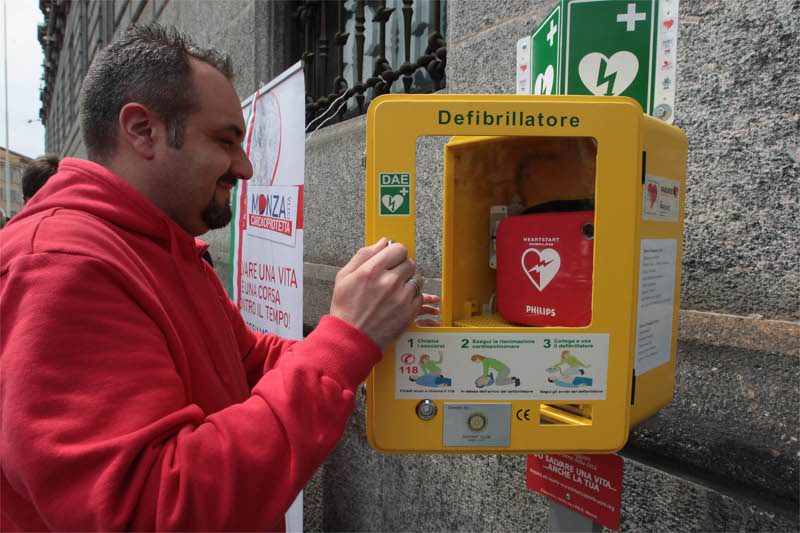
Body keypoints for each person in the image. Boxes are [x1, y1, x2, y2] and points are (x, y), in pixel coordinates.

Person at [0, 23, 439, 531]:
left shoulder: (159, 242)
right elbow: (156, 507)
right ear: (142, 130)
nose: (246, 167)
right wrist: (345, 340)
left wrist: (367, 333)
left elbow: (248, 361)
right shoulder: (60, 266)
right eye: (225, 141)